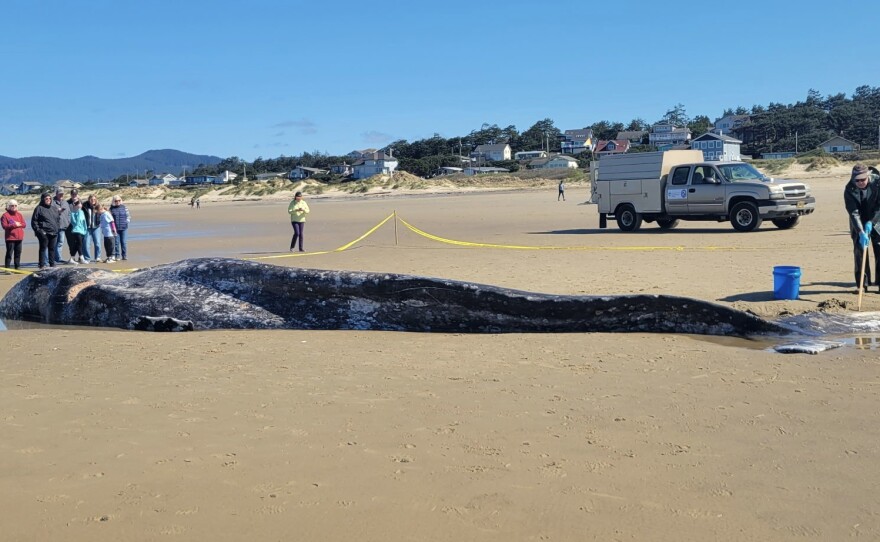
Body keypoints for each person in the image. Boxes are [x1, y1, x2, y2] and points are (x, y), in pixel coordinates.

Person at [844, 164, 880, 292]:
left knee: (879, 247)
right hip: (858, 219)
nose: (860, 182)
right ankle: (862, 285)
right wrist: (860, 231)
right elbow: (853, 212)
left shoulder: (878, 183)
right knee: (860, 251)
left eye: (862, 180)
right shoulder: (849, 188)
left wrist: (871, 222)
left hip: (877, 217)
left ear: (868, 176)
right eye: (857, 180)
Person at [31, 192, 61, 269]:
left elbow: (57, 219)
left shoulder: (54, 208)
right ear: (43, 199)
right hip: (43, 232)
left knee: (52, 249)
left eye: (49, 198)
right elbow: (34, 221)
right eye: (46, 199)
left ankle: (52, 264)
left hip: (54, 232)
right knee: (43, 248)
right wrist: (39, 231)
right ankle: (41, 265)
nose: (48, 200)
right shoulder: (39, 208)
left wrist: (57, 228)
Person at [2, 199, 26, 270]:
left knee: (18, 253)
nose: (14, 207)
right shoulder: (5, 215)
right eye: (12, 205)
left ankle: (17, 266)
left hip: (19, 237)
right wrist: (14, 225)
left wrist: (19, 224)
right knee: (9, 253)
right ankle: (7, 268)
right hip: (10, 238)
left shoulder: (19, 214)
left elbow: (24, 224)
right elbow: (4, 226)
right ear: (9, 206)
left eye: (15, 205)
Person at [109, 195, 131, 261]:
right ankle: (117, 256)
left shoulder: (124, 207)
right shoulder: (111, 209)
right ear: (114, 201)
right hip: (115, 229)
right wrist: (111, 227)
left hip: (124, 228)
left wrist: (126, 222)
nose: (117, 202)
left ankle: (124, 256)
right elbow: (109, 218)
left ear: (121, 200)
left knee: (123, 242)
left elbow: (128, 216)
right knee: (116, 243)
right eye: (116, 201)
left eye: (119, 200)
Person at [53, 187, 71, 264]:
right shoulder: (52, 203)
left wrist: (68, 222)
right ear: (56, 194)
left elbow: (69, 213)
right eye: (59, 194)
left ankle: (59, 258)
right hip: (54, 226)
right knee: (53, 243)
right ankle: (54, 258)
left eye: (62, 194)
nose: (61, 195)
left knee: (60, 242)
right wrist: (58, 211)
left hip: (63, 226)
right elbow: (50, 213)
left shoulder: (65, 203)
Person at [82, 194, 101, 263]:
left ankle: (97, 257)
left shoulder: (98, 206)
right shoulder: (84, 206)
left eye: (94, 199)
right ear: (89, 199)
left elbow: (104, 213)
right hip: (87, 228)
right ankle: (87, 258)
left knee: (97, 243)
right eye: (91, 199)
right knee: (86, 243)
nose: (93, 201)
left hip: (96, 227)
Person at [67, 199, 87, 264]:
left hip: (82, 231)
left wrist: (85, 230)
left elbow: (84, 222)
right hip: (76, 230)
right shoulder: (72, 213)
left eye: (80, 203)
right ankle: (81, 258)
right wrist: (78, 212)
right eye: (78, 204)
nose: (80, 205)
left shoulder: (82, 212)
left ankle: (71, 258)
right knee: (80, 244)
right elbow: (75, 223)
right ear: (74, 205)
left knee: (77, 245)